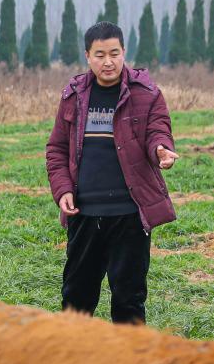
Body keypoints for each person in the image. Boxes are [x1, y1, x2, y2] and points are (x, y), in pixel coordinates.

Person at [45, 21, 180, 325]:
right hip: (84, 213)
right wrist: (63, 189)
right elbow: (56, 149)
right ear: (88, 56)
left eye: (115, 53)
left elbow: (158, 130)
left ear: (124, 53)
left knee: (129, 299)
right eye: (100, 54)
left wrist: (160, 149)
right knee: (76, 298)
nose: (108, 62)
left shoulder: (146, 93)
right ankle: (74, 362)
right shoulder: (73, 96)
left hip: (130, 215)